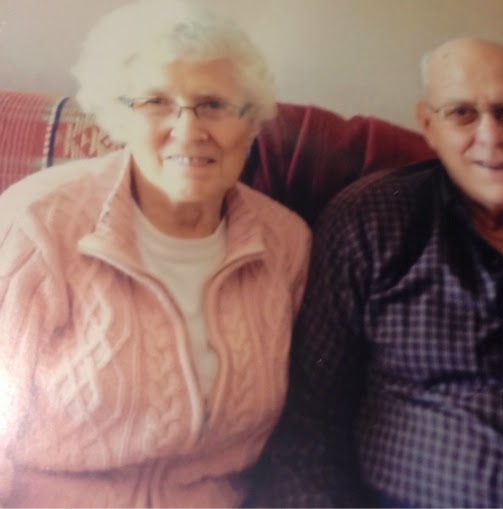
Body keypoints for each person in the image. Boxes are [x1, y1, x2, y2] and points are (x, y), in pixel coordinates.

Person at [249, 38, 503, 507]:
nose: (492, 136)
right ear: (429, 128)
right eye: (462, 114)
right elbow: (308, 428)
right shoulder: (370, 223)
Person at [0, 0, 313, 506]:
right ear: (118, 119)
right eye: (156, 102)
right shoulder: (36, 225)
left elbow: (303, 432)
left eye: (214, 105)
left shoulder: (286, 243)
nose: (188, 129)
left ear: (251, 123)